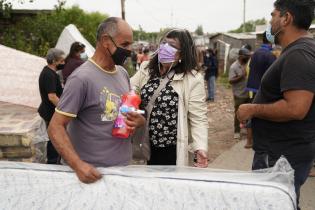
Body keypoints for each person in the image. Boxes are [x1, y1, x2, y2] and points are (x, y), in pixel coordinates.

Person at [237, 0, 315, 208]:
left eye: (273, 15)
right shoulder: (298, 50)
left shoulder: (299, 54)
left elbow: (296, 108)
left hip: (281, 156)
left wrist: (252, 108)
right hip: (283, 152)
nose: (270, 21)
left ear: (286, 18)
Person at [48, 17, 145, 184]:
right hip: (92, 176)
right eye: (125, 45)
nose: (130, 50)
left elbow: (121, 114)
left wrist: (139, 120)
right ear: (106, 41)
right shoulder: (81, 79)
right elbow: (55, 127)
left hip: (122, 171)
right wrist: (78, 165)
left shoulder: (121, 73)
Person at [131, 29, 208, 167]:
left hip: (172, 149)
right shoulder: (146, 69)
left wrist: (200, 147)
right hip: (146, 143)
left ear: (182, 54)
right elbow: (130, 90)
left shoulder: (193, 79)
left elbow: (198, 117)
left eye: (172, 45)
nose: (165, 48)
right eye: (164, 43)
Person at [244, 32, 277, 148]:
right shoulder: (270, 56)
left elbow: (250, 69)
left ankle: (249, 141)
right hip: (262, 90)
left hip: (251, 88)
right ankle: (258, 141)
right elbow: (274, 76)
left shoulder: (255, 53)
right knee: (262, 114)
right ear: (271, 40)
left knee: (252, 113)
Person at [38, 48, 65, 164]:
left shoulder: (50, 73)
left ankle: (53, 160)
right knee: (54, 137)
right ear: (54, 61)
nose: (63, 63)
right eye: (61, 61)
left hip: (50, 110)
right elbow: (52, 96)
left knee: (54, 137)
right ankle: (53, 162)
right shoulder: (49, 75)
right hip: (50, 112)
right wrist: (64, 109)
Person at [228, 48, 251, 139]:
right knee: (238, 112)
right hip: (239, 94)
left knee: (248, 112)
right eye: (246, 56)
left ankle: (246, 128)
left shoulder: (248, 64)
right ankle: (236, 131)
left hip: (249, 93)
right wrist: (242, 76)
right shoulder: (234, 67)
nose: (248, 58)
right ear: (241, 56)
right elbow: (230, 81)